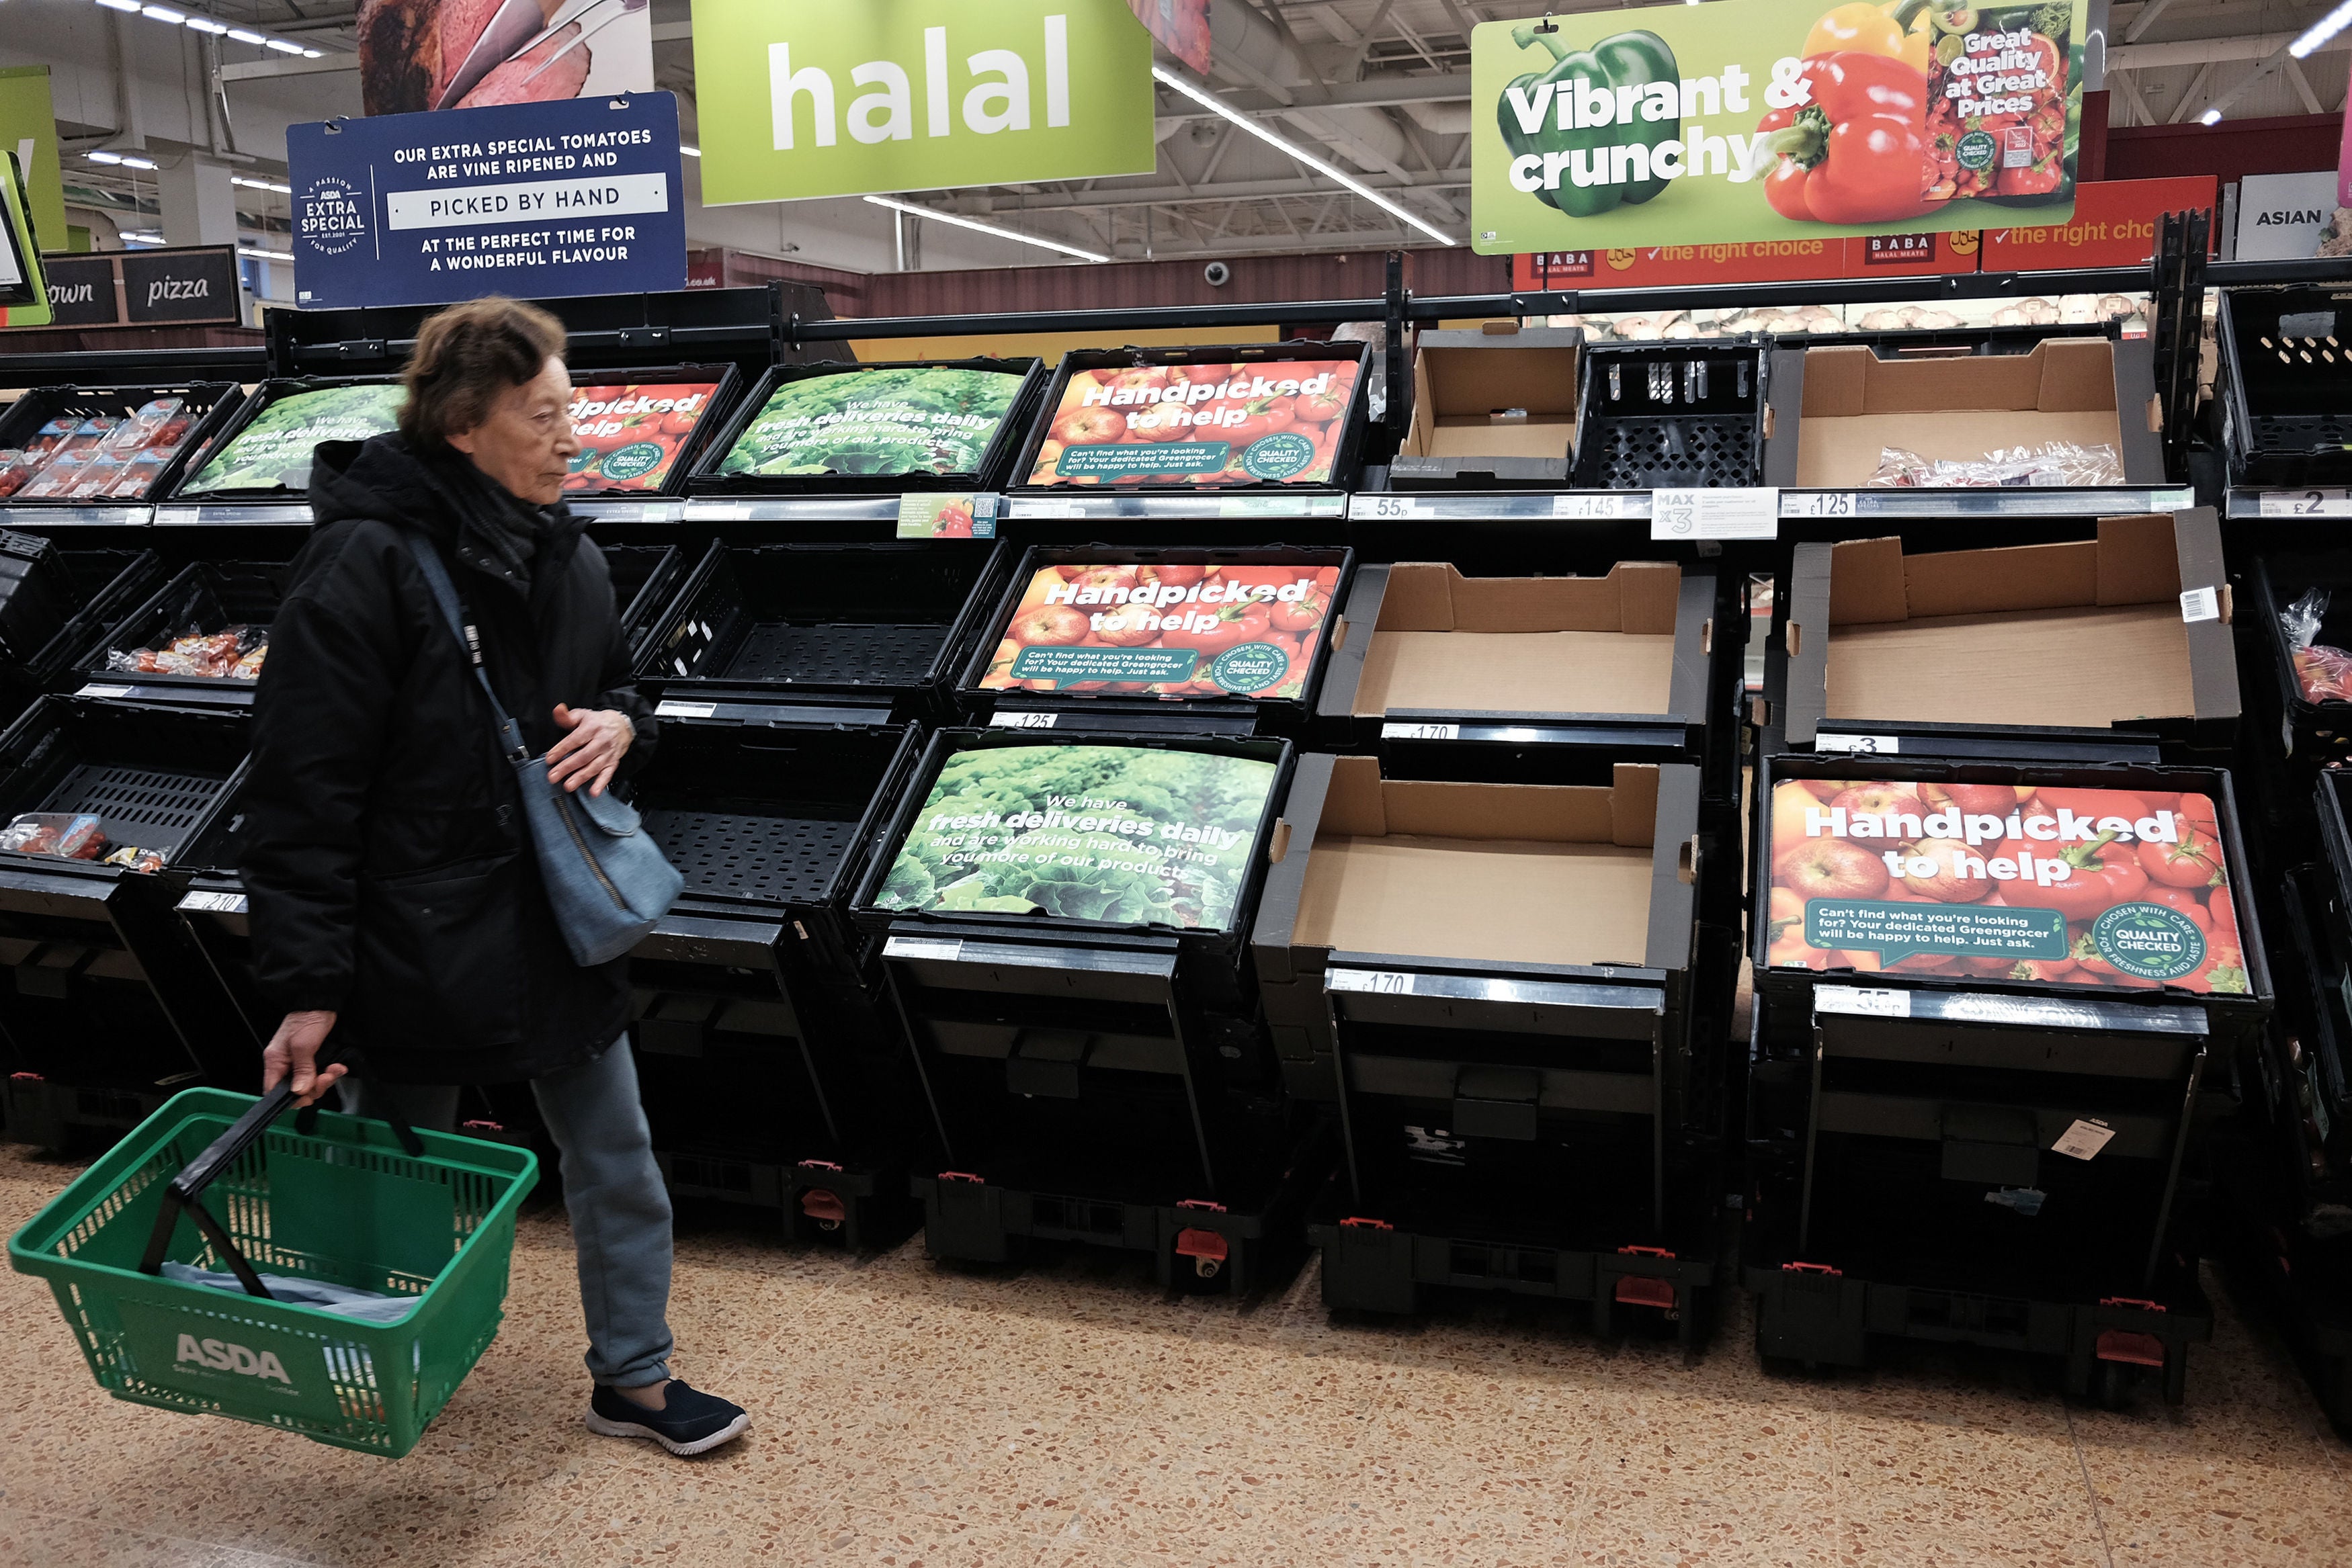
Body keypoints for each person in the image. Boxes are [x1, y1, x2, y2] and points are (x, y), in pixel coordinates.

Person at [240, 296, 748, 1458]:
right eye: (545, 414)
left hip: (555, 922)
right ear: (465, 424)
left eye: (573, 409)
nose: (574, 435)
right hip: (417, 938)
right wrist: (311, 983)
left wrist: (624, 723)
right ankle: (367, 1365)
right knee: (391, 1175)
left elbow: (624, 685)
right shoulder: (363, 564)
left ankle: (635, 1377)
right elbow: (301, 790)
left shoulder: (567, 552)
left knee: (617, 1157)